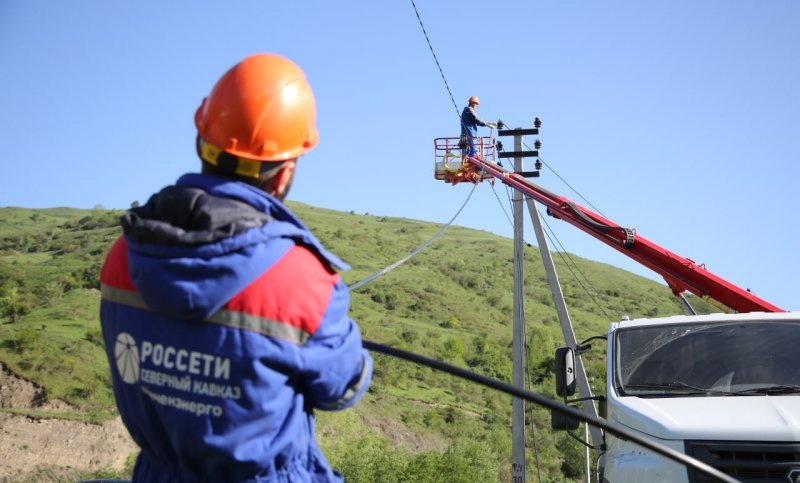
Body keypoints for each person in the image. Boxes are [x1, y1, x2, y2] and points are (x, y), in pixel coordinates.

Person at [99, 53, 373, 482]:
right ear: (283, 175)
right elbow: (342, 389)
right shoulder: (305, 280)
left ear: (201, 141)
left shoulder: (123, 255)